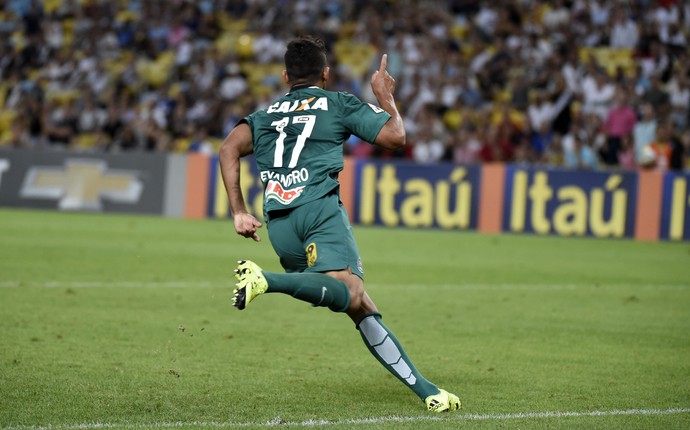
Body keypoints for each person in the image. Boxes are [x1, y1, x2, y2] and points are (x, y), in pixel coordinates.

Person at [218, 36, 461, 413]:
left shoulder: (264, 116)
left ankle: (427, 391)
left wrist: (238, 210)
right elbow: (396, 137)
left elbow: (228, 148)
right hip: (318, 211)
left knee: (359, 304)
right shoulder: (336, 103)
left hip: (280, 227)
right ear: (326, 74)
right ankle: (265, 280)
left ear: (285, 76)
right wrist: (384, 96)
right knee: (349, 290)